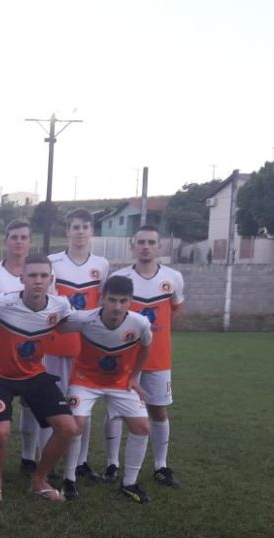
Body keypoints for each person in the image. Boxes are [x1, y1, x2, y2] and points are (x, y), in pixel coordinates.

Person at [0, 255, 78, 503]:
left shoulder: (61, 305)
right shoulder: (0, 302)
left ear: (51, 279)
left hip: (34, 375)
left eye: (43, 276)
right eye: (32, 275)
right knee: (1, 431)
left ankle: (39, 480)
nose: (38, 280)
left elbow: (83, 320)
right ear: (22, 278)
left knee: (68, 428)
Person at [57, 275, 154, 503]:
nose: (117, 307)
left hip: (120, 383)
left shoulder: (140, 323)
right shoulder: (83, 319)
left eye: (123, 301)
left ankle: (129, 483)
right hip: (85, 381)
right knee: (76, 424)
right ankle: (69, 479)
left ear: (130, 302)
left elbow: (146, 346)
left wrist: (134, 377)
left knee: (142, 426)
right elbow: (57, 325)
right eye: (112, 300)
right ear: (102, 299)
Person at [105, 226, 185, 487]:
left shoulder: (173, 278)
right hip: (124, 358)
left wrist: (156, 334)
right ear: (132, 246)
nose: (146, 247)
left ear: (159, 246)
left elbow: (175, 310)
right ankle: (112, 464)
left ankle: (161, 465)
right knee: (115, 412)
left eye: (151, 242)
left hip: (158, 358)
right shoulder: (120, 277)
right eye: (141, 242)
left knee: (158, 410)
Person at [45, 208, 109, 482]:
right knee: (52, 405)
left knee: (84, 406)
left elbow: (103, 303)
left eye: (85, 227)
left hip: (88, 347)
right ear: (67, 231)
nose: (80, 232)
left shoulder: (102, 264)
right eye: (75, 227)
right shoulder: (53, 262)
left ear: (91, 230)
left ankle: (81, 461)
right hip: (56, 342)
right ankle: (48, 461)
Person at [0, 219, 41, 475]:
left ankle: (28, 457)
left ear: (30, 241)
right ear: (6, 241)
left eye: (23, 237)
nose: (18, 242)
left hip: (33, 353)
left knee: (31, 405)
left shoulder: (40, 272)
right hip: (0, 355)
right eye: (14, 237)